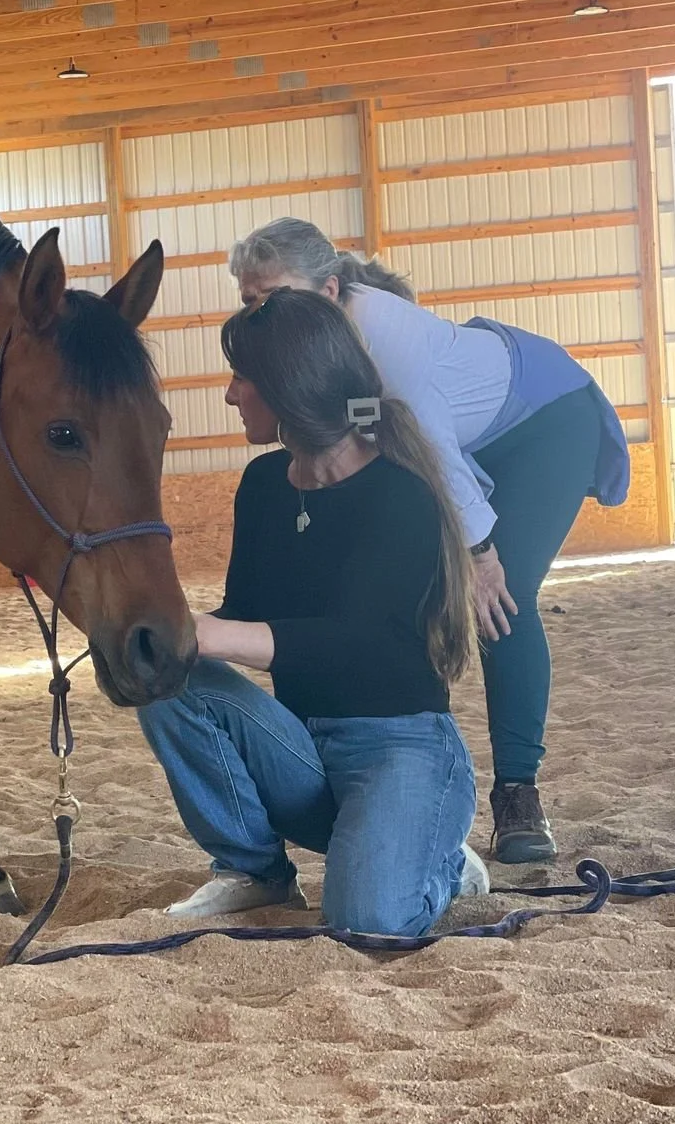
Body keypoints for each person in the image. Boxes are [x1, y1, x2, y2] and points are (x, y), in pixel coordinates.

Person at [227, 217, 630, 864]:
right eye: (249, 301)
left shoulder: (385, 343)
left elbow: (430, 450)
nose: (258, 313)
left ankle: (518, 794)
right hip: (456, 427)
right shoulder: (319, 343)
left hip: (544, 419)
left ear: (329, 292)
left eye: (272, 296)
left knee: (503, 599)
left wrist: (481, 555)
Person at [138, 288, 490, 937]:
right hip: (301, 748)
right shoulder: (263, 486)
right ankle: (256, 872)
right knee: (160, 677)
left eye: (241, 377)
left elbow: (359, 643)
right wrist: (164, 631)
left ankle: (439, 860)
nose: (229, 394)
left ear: (287, 387)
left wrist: (211, 634)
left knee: (368, 920)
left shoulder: (400, 493)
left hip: (399, 747)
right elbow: (243, 613)